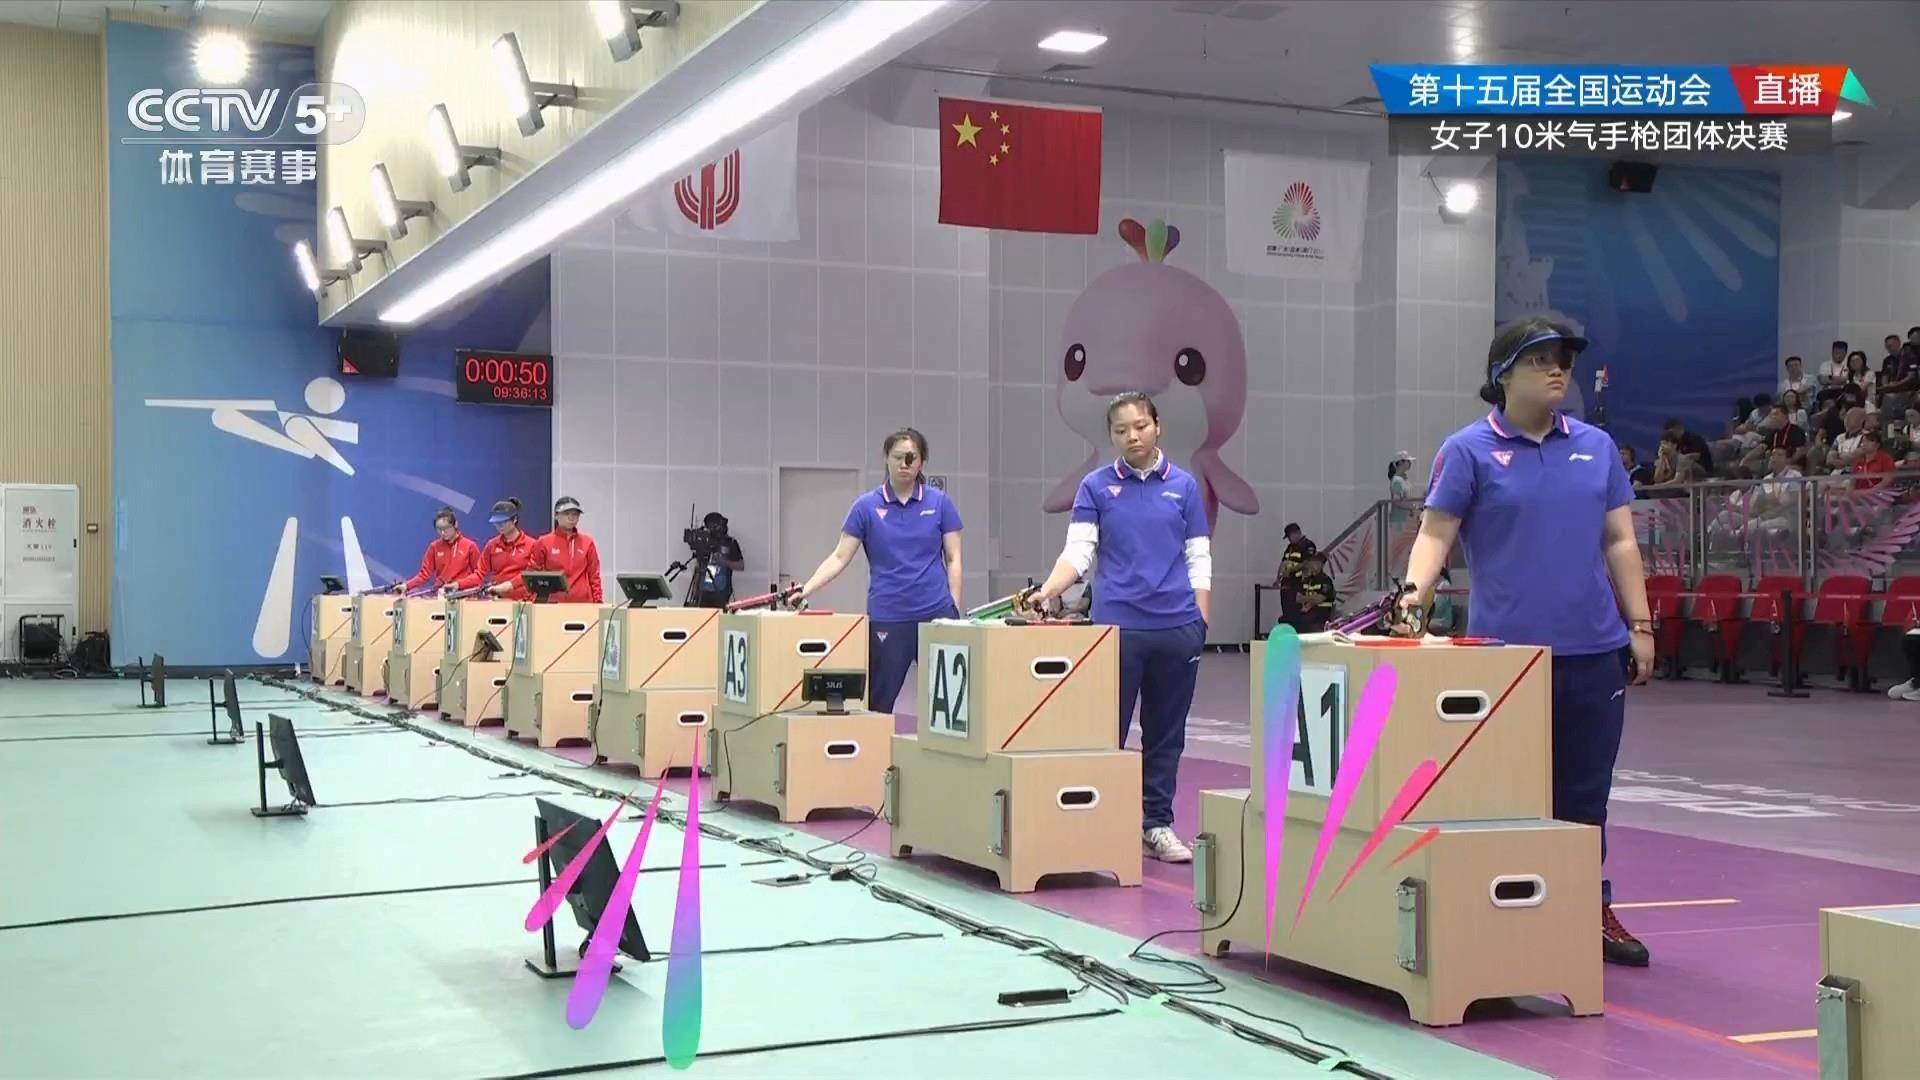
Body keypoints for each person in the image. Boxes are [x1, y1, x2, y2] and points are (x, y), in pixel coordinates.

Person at [1396, 316, 1655, 968]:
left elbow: (1620, 541)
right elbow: (1435, 533)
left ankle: (1586, 907)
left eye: (1563, 357)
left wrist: (1641, 624)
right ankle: (1504, 913)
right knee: (1503, 793)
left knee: (1586, 796)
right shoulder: (1468, 450)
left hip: (1593, 653)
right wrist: (1410, 600)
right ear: (1502, 374)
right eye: (1540, 358)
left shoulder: (1596, 447)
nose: (1557, 368)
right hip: (1502, 661)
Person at [1029, 391, 1211, 864]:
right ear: (1111, 436)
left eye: (1140, 426)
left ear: (1158, 426)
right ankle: (1099, 823)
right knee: (1105, 731)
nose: (1132, 436)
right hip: (1117, 630)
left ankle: (1156, 825)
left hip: (1177, 629)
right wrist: (1048, 590)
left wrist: (1201, 620)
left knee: (1166, 734)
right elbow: (1079, 552)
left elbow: (1199, 557)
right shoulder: (1095, 487)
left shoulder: (1185, 487)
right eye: (1121, 430)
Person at [798, 428, 963, 713]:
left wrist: (954, 608)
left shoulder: (940, 503)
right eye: (898, 457)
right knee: (879, 702)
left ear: (922, 462)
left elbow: (954, 557)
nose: (904, 464)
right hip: (889, 616)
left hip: (937, 613)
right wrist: (806, 589)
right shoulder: (866, 507)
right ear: (886, 458)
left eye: (911, 458)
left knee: (953, 701)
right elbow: (839, 557)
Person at [459, 498, 540, 600]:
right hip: (498, 600)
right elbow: (480, 574)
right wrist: (458, 585)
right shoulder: (492, 545)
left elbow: (532, 574)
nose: (499, 526)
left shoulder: (532, 545)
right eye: (497, 522)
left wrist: (509, 585)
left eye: (504, 521)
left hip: (524, 602)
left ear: (514, 519)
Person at [531, 496, 603, 604]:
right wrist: (535, 602)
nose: (571, 518)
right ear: (556, 515)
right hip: (553, 604)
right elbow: (533, 575)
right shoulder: (543, 542)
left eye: (575, 514)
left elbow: (594, 576)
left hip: (583, 604)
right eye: (566, 514)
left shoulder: (587, 542)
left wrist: (598, 601)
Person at [395, 507, 481, 595]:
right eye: (439, 529)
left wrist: (458, 584)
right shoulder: (434, 547)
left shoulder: (470, 546)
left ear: (455, 524)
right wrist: (406, 586)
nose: (442, 532)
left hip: (464, 594)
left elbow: (479, 575)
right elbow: (424, 575)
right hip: (441, 594)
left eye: (446, 528)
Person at [692, 512, 746, 609]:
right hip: (703, 590)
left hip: (721, 590)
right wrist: (695, 588)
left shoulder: (730, 543)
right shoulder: (705, 541)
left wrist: (724, 562)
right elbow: (698, 565)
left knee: (719, 616)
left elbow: (741, 566)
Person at [1284, 550, 1337, 633]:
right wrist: (1310, 599)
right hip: (1307, 614)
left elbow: (1319, 599)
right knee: (1287, 619)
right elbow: (1298, 598)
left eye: (1314, 563)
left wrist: (1306, 599)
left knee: (1303, 622)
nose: (1311, 565)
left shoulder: (1326, 581)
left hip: (1320, 615)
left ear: (1320, 564)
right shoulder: (1307, 580)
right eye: (1310, 562)